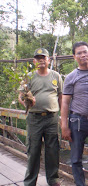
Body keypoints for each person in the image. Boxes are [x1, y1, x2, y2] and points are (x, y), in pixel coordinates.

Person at [18, 48, 63, 186]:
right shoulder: (29, 76)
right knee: (33, 150)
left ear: (49, 60)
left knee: (52, 151)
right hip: (34, 118)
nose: (41, 60)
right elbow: (20, 96)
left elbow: (61, 96)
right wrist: (27, 100)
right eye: (38, 58)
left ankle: (53, 180)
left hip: (52, 118)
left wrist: (61, 117)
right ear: (34, 61)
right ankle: (30, 182)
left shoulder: (56, 76)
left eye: (43, 58)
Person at [61, 41, 88, 186]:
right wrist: (64, 125)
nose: (83, 55)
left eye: (85, 52)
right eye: (79, 53)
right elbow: (65, 102)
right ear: (74, 56)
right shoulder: (71, 77)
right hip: (77, 120)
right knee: (75, 158)